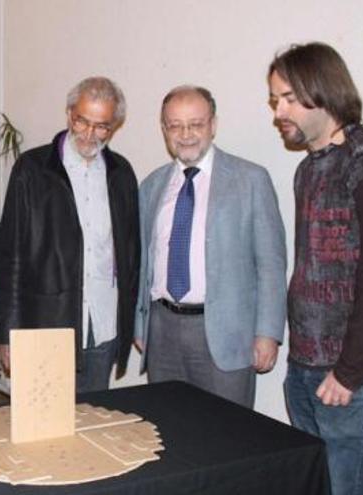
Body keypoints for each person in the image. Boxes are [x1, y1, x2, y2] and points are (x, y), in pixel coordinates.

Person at [268, 42, 363, 495]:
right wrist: (298, 364)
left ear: (323, 91)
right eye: (274, 99)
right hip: (306, 369)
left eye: (289, 98)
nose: (278, 110)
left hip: (356, 378)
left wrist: (349, 372)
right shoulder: (308, 169)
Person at [133, 86, 287, 408]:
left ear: (213, 125)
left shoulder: (250, 180)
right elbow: (143, 263)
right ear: (164, 130)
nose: (185, 134)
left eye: (196, 124)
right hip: (162, 333)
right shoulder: (151, 186)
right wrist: (140, 325)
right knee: (169, 430)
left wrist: (268, 333)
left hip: (226, 334)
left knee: (227, 436)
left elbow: (271, 263)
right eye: (175, 125)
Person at [0, 76, 139, 393]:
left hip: (102, 323)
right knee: (44, 430)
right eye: (82, 121)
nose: (89, 134)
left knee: (94, 421)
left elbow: (131, 255)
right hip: (45, 321)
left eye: (101, 126)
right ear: (69, 114)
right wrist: (7, 332)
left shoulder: (121, 174)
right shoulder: (32, 168)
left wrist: (130, 324)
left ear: (114, 126)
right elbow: (10, 255)